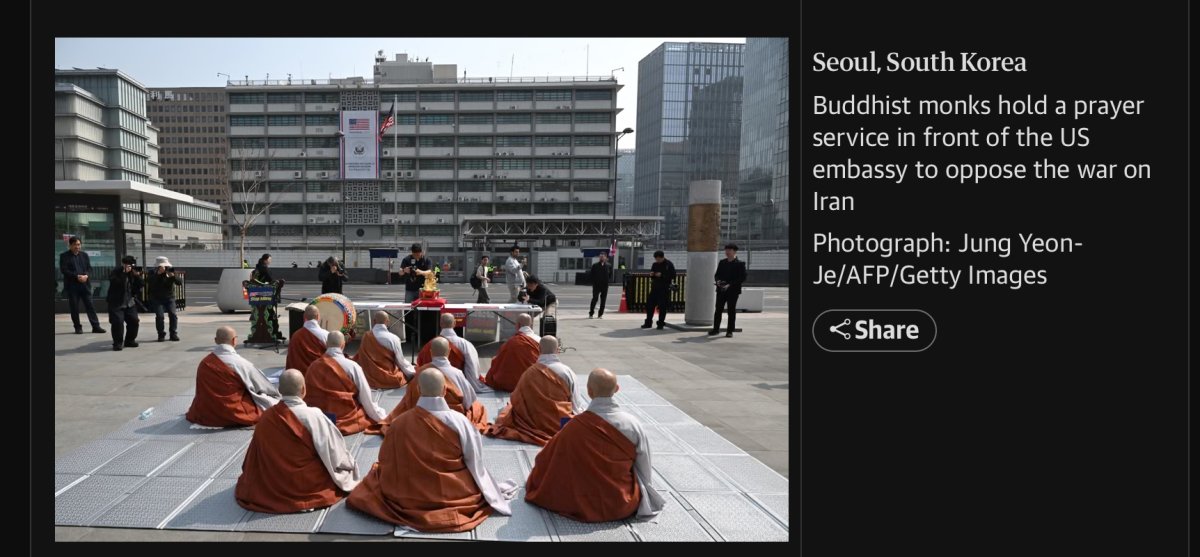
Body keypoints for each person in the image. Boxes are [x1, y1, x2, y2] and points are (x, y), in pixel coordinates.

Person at [347, 368, 517, 533]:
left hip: (407, 494)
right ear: (444, 390)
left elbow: (387, 460)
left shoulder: (399, 423)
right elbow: (474, 461)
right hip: (453, 491)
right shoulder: (461, 422)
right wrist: (489, 489)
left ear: (418, 389)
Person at [525, 368, 666, 522]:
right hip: (620, 503)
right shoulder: (632, 424)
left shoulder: (573, 426)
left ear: (589, 391)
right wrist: (646, 495)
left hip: (579, 502)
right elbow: (644, 464)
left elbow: (547, 459)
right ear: (617, 389)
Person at [235, 369, 361, 514]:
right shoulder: (314, 416)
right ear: (304, 389)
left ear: (280, 389)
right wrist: (349, 464)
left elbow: (254, 455)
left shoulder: (267, 416)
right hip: (305, 485)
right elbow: (335, 453)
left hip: (273, 482)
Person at [486, 336, 584, 446]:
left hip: (531, 423)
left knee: (507, 410)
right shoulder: (567, 372)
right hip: (558, 424)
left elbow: (516, 400)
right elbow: (576, 405)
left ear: (539, 349)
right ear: (557, 350)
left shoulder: (529, 373)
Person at [388, 337, 491, 432]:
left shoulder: (421, 372)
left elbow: (410, 400)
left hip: (421, 415)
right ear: (449, 352)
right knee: (478, 407)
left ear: (431, 352)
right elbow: (469, 401)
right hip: (452, 418)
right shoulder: (457, 373)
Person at [186, 326, 281, 427]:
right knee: (272, 402)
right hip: (234, 412)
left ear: (215, 340)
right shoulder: (240, 363)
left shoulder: (205, 363)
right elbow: (263, 386)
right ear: (234, 340)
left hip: (206, 412)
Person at [303, 331, 388, 435]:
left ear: (326, 344)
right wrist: (381, 418)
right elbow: (365, 398)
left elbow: (308, 396)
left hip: (319, 418)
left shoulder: (313, 367)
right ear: (343, 345)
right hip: (346, 418)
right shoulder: (352, 366)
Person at [351, 311, 415, 389]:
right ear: (387, 321)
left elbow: (361, 357)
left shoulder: (366, 336)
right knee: (400, 377)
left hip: (368, 376)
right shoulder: (394, 338)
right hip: (388, 376)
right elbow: (400, 361)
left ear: (374, 321)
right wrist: (412, 372)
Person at [482, 313, 541, 392]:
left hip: (511, 383)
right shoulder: (539, 340)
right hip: (533, 382)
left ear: (518, 325)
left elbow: (499, 361)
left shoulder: (512, 342)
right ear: (531, 324)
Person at [59, 236, 104, 334]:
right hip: (72, 286)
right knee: (74, 307)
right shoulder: (64, 256)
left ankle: (96, 326)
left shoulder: (84, 255)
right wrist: (77, 276)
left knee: (90, 306)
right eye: (75, 244)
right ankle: (77, 327)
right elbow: (64, 270)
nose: (77, 247)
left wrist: (86, 275)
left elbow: (89, 268)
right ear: (70, 245)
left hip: (85, 285)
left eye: (79, 244)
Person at [710, 243, 748, 338]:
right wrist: (718, 281)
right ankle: (716, 329)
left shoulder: (740, 264)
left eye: (729, 250)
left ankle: (730, 331)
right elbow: (717, 274)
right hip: (721, 290)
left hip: (733, 291)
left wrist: (730, 284)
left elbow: (742, 278)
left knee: (731, 310)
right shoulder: (722, 262)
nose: (727, 252)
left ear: (734, 251)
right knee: (718, 310)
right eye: (726, 250)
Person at [106, 255, 143, 351]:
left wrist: (137, 275)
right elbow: (115, 283)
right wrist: (124, 274)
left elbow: (141, 284)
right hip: (116, 302)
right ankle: (117, 343)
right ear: (123, 264)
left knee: (134, 321)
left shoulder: (133, 272)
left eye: (130, 265)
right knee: (117, 322)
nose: (129, 267)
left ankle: (130, 340)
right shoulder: (116, 271)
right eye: (127, 265)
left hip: (129, 302)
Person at [250, 253, 285, 341]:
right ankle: (272, 334)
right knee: (268, 315)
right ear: (265, 260)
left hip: (258, 294)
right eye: (269, 259)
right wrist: (276, 282)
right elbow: (270, 280)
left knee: (266, 315)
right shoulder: (264, 268)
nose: (270, 261)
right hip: (264, 294)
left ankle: (274, 333)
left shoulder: (258, 267)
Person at [146, 256, 181, 342]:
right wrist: (158, 274)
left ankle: (173, 333)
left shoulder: (170, 270)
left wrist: (173, 276)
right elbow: (149, 282)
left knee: (173, 314)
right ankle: (161, 334)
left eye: (165, 266)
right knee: (160, 316)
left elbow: (179, 282)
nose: (164, 268)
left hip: (169, 297)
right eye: (162, 266)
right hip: (157, 298)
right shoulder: (152, 272)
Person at [286, 305, 327, 372]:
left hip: (299, 376)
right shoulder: (325, 335)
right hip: (318, 375)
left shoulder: (296, 335)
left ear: (304, 317)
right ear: (318, 317)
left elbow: (291, 359)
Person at [642, 251, 676, 330]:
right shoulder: (655, 264)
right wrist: (652, 274)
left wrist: (662, 275)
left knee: (662, 307)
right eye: (656, 259)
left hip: (664, 289)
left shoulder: (668, 264)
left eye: (658, 259)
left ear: (662, 257)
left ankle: (660, 323)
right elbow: (652, 273)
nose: (657, 261)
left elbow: (673, 275)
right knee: (650, 305)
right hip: (655, 288)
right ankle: (648, 322)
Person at [588, 252, 612, 319]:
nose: (601, 258)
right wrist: (594, 282)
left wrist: (607, 281)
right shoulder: (595, 265)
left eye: (603, 256)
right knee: (595, 299)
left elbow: (610, 275)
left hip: (605, 285)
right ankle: (591, 313)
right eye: (600, 256)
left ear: (605, 257)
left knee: (603, 300)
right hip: (596, 285)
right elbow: (591, 275)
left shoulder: (608, 266)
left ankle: (600, 314)